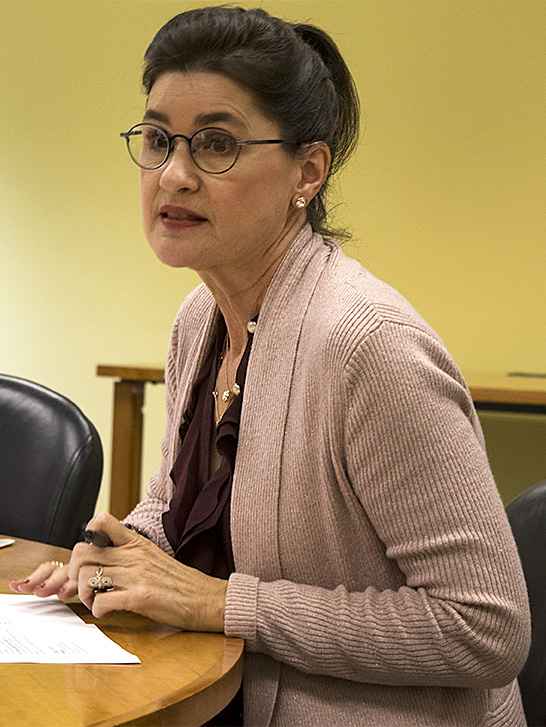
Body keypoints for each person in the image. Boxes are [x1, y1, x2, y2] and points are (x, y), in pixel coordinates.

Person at [11, 6, 530, 726]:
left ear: (307, 173)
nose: (175, 175)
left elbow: (487, 628)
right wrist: (111, 561)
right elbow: (180, 509)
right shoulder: (199, 318)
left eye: (215, 144)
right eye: (158, 140)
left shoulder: (369, 347)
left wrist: (224, 603)